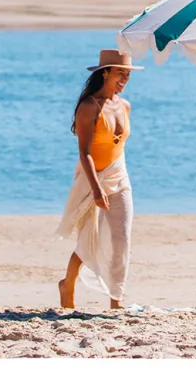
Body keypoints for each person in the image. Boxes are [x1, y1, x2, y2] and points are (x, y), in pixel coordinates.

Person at [54, 48, 141, 310]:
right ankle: (67, 284)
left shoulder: (125, 106)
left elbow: (119, 146)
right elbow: (85, 152)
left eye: (127, 75)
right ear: (105, 73)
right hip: (91, 177)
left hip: (119, 175)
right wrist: (95, 189)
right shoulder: (89, 107)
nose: (124, 80)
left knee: (120, 237)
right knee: (88, 236)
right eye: (120, 74)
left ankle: (117, 299)